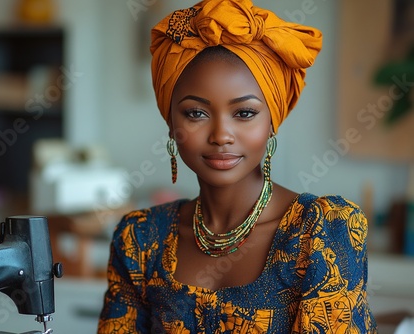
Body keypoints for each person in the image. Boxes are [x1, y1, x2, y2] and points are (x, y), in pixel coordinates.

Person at [97, 0, 378, 332]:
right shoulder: (140, 238)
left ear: (272, 122)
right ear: (171, 123)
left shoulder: (320, 232)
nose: (220, 136)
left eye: (244, 113)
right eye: (195, 113)